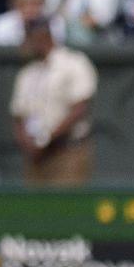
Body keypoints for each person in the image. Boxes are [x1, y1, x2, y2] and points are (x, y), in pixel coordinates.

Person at [9, 17, 96, 184]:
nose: (24, 44)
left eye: (27, 38)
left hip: (68, 152)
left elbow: (80, 107)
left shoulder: (74, 63)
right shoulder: (27, 73)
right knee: (34, 208)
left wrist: (47, 139)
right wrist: (30, 144)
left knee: (67, 208)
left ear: (42, 36)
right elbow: (18, 116)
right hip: (35, 157)